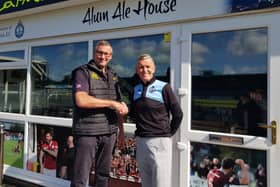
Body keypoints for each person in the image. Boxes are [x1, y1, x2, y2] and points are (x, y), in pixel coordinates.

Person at [71, 40, 128, 187]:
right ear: (94, 53)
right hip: (87, 133)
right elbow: (81, 100)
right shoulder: (82, 72)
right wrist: (111, 103)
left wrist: (121, 132)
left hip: (109, 133)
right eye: (100, 53)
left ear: (111, 56)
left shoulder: (113, 75)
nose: (103, 56)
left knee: (103, 176)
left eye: (107, 54)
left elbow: (118, 106)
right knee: (80, 178)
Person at [130, 54, 183, 187]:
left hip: (160, 142)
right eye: (141, 67)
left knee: (161, 183)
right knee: (146, 183)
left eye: (148, 66)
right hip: (141, 141)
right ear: (137, 70)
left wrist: (168, 133)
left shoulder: (164, 87)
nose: (144, 70)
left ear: (153, 69)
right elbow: (133, 114)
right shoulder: (136, 89)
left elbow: (178, 114)